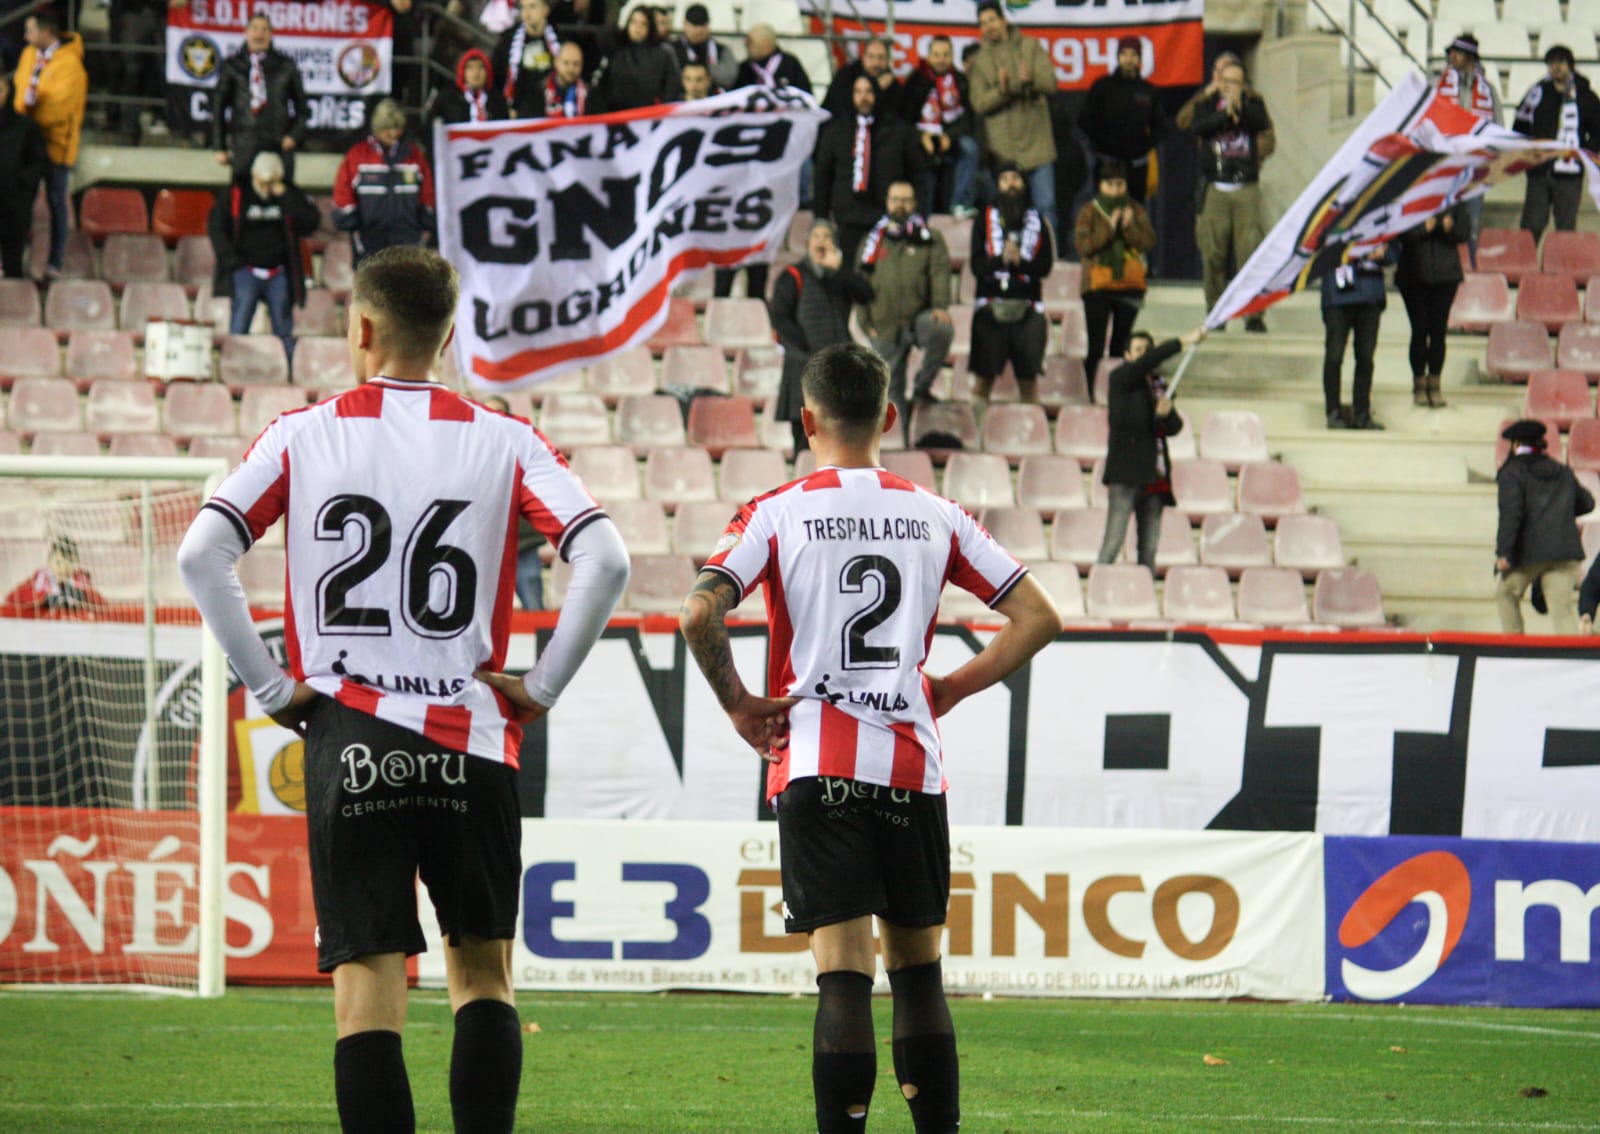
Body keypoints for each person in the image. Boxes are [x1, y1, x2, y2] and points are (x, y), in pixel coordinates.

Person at [177, 245, 630, 1134]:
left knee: (366, 1003)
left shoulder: (304, 432)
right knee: (484, 981)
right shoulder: (506, 438)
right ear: (449, 334)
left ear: (363, 328)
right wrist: (538, 686)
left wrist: (271, 688)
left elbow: (203, 553)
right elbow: (605, 558)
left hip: (353, 738)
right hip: (471, 738)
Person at [678, 340, 1061, 1134]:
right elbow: (1039, 616)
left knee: (842, 979)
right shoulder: (936, 512)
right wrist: (950, 685)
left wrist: (743, 705)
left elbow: (699, 611)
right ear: (890, 417)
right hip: (910, 766)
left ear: (806, 419)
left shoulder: (776, 510)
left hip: (817, 762)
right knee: (919, 979)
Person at [1097, 327, 1205, 570]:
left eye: (1148, 350)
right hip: (1127, 474)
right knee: (1112, 543)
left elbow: (1174, 427)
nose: (1145, 355)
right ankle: (1100, 588)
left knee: (1149, 548)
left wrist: (1165, 415)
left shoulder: (1158, 386)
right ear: (1127, 355)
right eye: (1139, 350)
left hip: (1155, 477)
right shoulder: (1121, 378)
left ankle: (1142, 594)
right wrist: (1182, 339)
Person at [857, 181, 954, 437]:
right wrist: (864, 321)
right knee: (891, 391)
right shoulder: (872, 241)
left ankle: (922, 386)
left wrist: (941, 306)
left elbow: (940, 274)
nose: (900, 205)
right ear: (887, 202)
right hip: (883, 323)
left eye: (906, 200)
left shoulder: (930, 238)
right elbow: (859, 284)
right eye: (895, 199)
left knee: (941, 330)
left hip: (918, 317)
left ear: (914, 203)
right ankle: (904, 441)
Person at [769, 220, 873, 453]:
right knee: (805, 439)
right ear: (807, 243)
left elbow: (867, 295)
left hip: (838, 369)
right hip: (803, 368)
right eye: (816, 236)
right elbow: (779, 317)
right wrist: (806, 352)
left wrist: (841, 270)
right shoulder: (792, 275)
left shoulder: (840, 277)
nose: (822, 241)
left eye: (827, 236)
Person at [209, 151, 321, 363]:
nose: (267, 188)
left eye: (272, 183)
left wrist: (286, 196)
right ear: (255, 176)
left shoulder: (289, 194)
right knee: (239, 327)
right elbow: (216, 227)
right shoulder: (236, 194)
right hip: (245, 270)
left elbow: (310, 222)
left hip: (278, 272)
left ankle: (286, 368)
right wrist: (230, 261)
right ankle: (233, 366)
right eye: (263, 182)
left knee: (283, 329)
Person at [1189, 58, 1272, 332]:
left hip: (1245, 187)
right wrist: (1225, 114)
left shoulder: (1254, 104)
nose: (1228, 87)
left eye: (1234, 82)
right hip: (1217, 188)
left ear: (1244, 85)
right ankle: (1216, 312)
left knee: (1250, 251)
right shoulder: (1206, 104)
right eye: (1225, 81)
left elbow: (1260, 124)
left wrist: (1241, 108)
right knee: (1213, 253)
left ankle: (1253, 314)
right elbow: (1197, 127)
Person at [967, 2, 1058, 250]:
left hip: (1037, 145)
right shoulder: (981, 61)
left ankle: (1050, 262)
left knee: (1045, 207)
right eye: (983, 23)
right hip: (1003, 152)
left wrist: (1031, 81)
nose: (989, 27)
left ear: (1004, 20)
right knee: (1003, 214)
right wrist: (1003, 91)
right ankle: (1002, 263)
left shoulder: (1029, 46)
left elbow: (1050, 83)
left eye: (992, 20)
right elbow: (979, 103)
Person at [1495, 419, 1594, 634]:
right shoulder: (1561, 471)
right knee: (1562, 610)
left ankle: (1515, 649)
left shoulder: (1511, 473)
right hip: (1565, 552)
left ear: (1515, 444)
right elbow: (1587, 503)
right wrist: (1559, 513)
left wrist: (1504, 553)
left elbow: (1512, 515)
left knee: (1505, 594)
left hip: (1529, 553)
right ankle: (1573, 660)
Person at [967, 162, 1053, 408]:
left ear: (1024, 183)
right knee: (983, 381)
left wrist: (1020, 263)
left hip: (1028, 309)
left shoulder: (1039, 222)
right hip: (990, 309)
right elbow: (976, 267)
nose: (1010, 184)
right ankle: (978, 436)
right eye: (1005, 179)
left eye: (1015, 178)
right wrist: (999, 260)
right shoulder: (982, 220)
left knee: (1029, 382)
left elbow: (1045, 268)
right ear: (998, 184)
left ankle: (1030, 439)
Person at [814, 75, 923, 267]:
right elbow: (822, 176)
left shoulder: (898, 131)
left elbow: (917, 173)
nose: (863, 97)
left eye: (869, 91)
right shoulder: (835, 131)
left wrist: (918, 212)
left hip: (887, 217)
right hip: (847, 217)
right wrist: (821, 217)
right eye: (858, 92)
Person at [1074, 159, 1156, 399]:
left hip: (1129, 288)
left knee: (1121, 347)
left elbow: (1148, 242)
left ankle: (1117, 393)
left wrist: (1130, 227)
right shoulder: (1089, 211)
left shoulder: (1136, 210)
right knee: (1096, 346)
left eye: (1120, 184)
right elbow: (1084, 247)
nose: (1116, 190)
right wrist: (1109, 228)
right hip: (1097, 287)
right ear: (1100, 185)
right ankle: (1089, 392)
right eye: (1110, 184)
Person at [13, 10, 85, 279]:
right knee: (20, 203)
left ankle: (54, 264)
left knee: (57, 204)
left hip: (56, 146)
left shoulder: (71, 65)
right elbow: (20, 92)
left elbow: (59, 110)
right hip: (26, 145)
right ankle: (14, 260)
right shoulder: (28, 55)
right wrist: (22, 117)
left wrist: (28, 118)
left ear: (46, 33)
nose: (25, 37)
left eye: (30, 31)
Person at [332, 100, 436, 268]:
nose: (391, 134)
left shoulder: (414, 156)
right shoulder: (358, 155)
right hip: (369, 241)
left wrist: (426, 219)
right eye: (385, 129)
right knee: (372, 289)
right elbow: (343, 191)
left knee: (408, 289)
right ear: (376, 129)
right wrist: (350, 220)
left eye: (396, 128)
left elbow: (428, 192)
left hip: (407, 239)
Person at [1512, 45, 1600, 238]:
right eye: (1551, 63)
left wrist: (1583, 153)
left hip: (1569, 173)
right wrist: (1528, 151)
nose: (1556, 68)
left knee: (1566, 226)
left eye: (1560, 62)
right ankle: (1525, 265)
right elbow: (1520, 124)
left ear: (1570, 65)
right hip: (1539, 171)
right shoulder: (1537, 93)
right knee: (1531, 224)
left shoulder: (1586, 96)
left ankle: (1564, 267)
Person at [211, 14, 307, 185]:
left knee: (282, 195)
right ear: (246, 32)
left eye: (264, 29)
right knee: (242, 195)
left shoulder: (286, 65)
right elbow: (218, 107)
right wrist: (220, 146)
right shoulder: (232, 66)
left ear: (271, 34)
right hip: (244, 142)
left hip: (278, 141)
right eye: (254, 28)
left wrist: (294, 136)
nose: (259, 34)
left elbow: (303, 107)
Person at [1435, 34, 1500, 267]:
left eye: (1457, 52)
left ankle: (1471, 268)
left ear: (1470, 57)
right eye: (1450, 52)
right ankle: (1445, 267)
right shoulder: (1438, 85)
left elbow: (1497, 127)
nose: (1451, 57)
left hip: (1475, 166)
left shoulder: (1488, 90)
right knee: (1442, 218)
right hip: (1446, 164)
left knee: (1471, 222)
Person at [1395, 202, 1468, 409]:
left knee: (1438, 330)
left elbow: (1464, 231)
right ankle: (1418, 381)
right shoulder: (1414, 195)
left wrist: (1448, 228)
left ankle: (1435, 382)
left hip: (1446, 276)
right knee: (1419, 330)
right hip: (1414, 275)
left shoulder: (1455, 198)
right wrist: (1423, 229)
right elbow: (1399, 232)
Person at [482, 394, 549, 611]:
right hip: (487, 547)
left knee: (534, 609)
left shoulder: (526, 449)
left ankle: (541, 646)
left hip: (523, 545)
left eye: (498, 413)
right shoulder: (473, 451)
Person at [1081, 35, 1166, 206]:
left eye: (1133, 55)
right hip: (1107, 162)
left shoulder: (1148, 90)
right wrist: (1103, 145)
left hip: (1136, 164)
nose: (1128, 59)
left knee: (1134, 212)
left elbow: (1160, 126)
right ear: (1118, 57)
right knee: (1106, 210)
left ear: (1140, 59)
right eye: (1124, 54)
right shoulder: (1103, 86)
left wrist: (1143, 147)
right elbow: (1085, 120)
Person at [901, 35, 978, 217]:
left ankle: (960, 203)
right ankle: (921, 216)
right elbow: (905, 119)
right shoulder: (916, 80)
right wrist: (922, 136)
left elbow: (968, 118)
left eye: (945, 54)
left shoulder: (960, 81)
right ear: (929, 56)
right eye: (936, 54)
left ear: (952, 56)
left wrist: (949, 136)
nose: (941, 59)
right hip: (922, 139)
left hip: (950, 139)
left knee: (970, 148)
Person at [1319, 242, 1392, 430]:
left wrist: (1382, 252)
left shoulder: (1379, 217)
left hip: (1370, 294)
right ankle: (1333, 412)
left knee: (1366, 358)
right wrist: (1357, 252)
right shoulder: (1331, 216)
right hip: (1337, 295)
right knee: (1334, 356)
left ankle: (1362, 413)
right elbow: (1318, 249)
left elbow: (1394, 252)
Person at [0, 69, 48, 279]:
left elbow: (38, 163)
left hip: (13, 208)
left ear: (9, 92)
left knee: (13, 266)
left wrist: (20, 184)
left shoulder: (26, 126)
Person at [595, 4, 681, 112]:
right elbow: (602, 38)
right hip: (616, 113)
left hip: (649, 115)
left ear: (650, 27)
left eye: (643, 23)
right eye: (633, 21)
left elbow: (671, 88)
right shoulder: (617, 47)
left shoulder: (663, 53)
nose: (637, 27)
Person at [2, 535, 106, 617]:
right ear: (49, 562)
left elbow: (102, 605)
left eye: (70, 563)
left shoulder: (81, 582)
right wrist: (42, 596)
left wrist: (83, 595)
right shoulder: (39, 580)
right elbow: (11, 598)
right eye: (59, 563)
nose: (64, 568)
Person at [107, 0, 166, 141]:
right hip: (131, 13)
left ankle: (160, 114)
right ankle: (127, 125)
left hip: (161, 13)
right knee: (131, 71)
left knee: (160, 67)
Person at [492, 0, 561, 118]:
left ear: (546, 10)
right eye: (523, 7)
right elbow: (495, 77)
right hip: (519, 115)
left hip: (553, 113)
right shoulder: (508, 41)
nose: (526, 13)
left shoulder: (560, 40)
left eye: (532, 6)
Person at [822, 37, 904, 122]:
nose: (876, 63)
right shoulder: (847, 75)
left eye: (881, 57)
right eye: (871, 56)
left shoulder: (891, 84)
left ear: (888, 60)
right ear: (863, 57)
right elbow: (842, 109)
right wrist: (877, 88)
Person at [432, 47, 509, 125]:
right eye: (470, 68)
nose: (476, 73)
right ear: (462, 72)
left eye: (481, 67)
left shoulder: (497, 100)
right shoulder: (447, 98)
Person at [671, 3, 736, 92]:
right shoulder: (672, 50)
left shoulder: (721, 50)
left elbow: (729, 79)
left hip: (714, 100)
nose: (699, 30)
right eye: (694, 25)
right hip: (680, 100)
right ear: (684, 24)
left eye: (703, 25)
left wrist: (708, 69)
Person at [735, 24, 811, 94]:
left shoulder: (790, 64)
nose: (745, 44)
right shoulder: (744, 68)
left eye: (750, 41)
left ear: (766, 42)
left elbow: (805, 93)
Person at [533, 42, 590, 117]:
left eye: (576, 63)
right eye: (566, 63)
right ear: (556, 62)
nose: (571, 69)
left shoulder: (590, 94)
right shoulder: (538, 91)